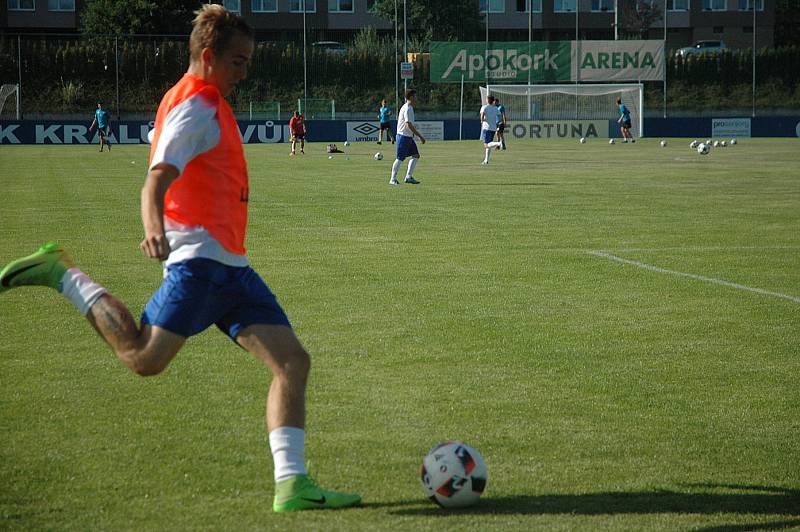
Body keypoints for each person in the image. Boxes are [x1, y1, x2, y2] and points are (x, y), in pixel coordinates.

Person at [0, 4, 360, 514]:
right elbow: (157, 176)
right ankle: (61, 271)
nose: (244, 71)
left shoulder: (191, 98)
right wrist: (153, 228)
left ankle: (291, 485)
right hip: (199, 264)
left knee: (292, 363)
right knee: (143, 358)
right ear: (209, 56)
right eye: (238, 61)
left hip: (231, 266)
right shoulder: (196, 105)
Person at [389, 89, 425, 186]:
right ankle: (392, 179)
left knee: (416, 155)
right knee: (400, 158)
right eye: (415, 96)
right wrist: (419, 136)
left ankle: (408, 177)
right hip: (403, 137)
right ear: (412, 97)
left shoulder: (410, 108)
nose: (417, 98)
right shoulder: (408, 108)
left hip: (408, 137)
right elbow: (408, 124)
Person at [479, 94, 503, 165]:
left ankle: (499, 143)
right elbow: (499, 115)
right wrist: (498, 122)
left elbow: (482, 115)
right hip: (493, 128)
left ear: (488, 100)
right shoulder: (495, 108)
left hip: (486, 128)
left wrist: (482, 120)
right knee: (489, 144)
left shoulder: (484, 107)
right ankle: (486, 160)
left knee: (486, 145)